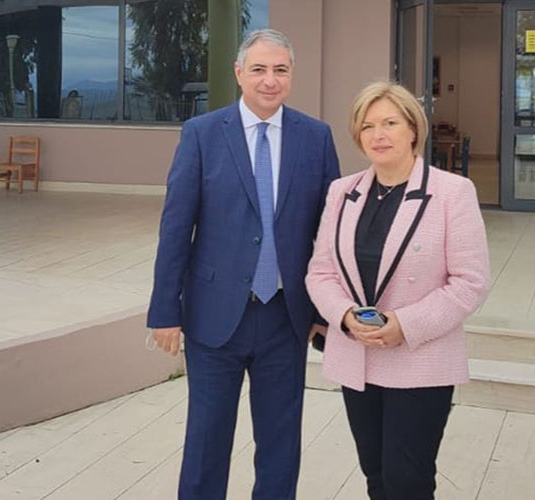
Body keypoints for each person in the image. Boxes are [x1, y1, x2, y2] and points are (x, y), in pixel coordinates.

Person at [147, 29, 340, 499]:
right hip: (213, 317)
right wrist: (165, 310)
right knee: (207, 440)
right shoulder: (202, 134)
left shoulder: (316, 137)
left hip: (285, 319)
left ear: (291, 74)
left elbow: (329, 234)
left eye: (280, 70)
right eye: (258, 69)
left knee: (280, 443)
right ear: (239, 73)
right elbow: (176, 228)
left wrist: (323, 312)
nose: (269, 80)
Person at [305, 82, 490, 500]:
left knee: (408, 479)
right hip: (357, 353)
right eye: (367, 126)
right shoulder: (342, 192)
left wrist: (404, 325)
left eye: (390, 123)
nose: (378, 135)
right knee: (375, 473)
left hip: (419, 357)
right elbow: (320, 271)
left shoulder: (452, 192)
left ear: (413, 129)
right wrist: (345, 316)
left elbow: (470, 281)